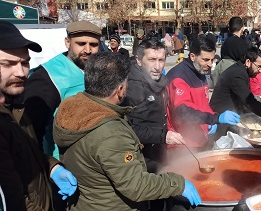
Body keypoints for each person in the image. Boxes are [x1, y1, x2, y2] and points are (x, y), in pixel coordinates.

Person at [53, 52, 201, 210]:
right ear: (120, 89)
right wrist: (178, 184)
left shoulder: (72, 108)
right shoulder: (111, 132)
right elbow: (136, 186)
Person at [0, 20, 77, 210]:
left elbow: (26, 153)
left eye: (24, 63)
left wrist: (52, 166)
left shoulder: (17, 105)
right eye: (8, 64)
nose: (20, 72)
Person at [24, 20, 102, 160]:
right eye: (81, 44)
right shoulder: (48, 77)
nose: (88, 50)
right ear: (67, 42)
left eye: (93, 45)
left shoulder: (97, 70)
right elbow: (31, 131)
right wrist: (49, 166)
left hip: (93, 160)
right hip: (64, 163)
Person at [166, 36, 240, 148]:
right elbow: (183, 112)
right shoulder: (179, 77)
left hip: (200, 137)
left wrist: (211, 120)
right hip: (183, 143)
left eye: (212, 59)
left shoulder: (200, 72)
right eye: (205, 60)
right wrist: (215, 118)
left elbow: (202, 104)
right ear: (192, 56)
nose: (210, 64)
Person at [119, 39, 177, 173]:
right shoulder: (131, 88)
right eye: (152, 60)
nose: (158, 66)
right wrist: (163, 136)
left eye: (161, 60)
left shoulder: (159, 82)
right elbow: (126, 129)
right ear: (139, 60)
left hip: (158, 154)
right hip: (139, 162)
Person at [210, 47, 261, 124]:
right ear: (248, 62)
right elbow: (249, 102)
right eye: (259, 67)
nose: (260, 71)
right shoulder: (237, 75)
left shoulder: (241, 71)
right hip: (220, 116)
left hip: (231, 113)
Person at [211, 17, 249, 85]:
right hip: (236, 76)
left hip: (223, 74)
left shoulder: (225, 43)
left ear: (229, 29)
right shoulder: (242, 43)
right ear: (242, 28)